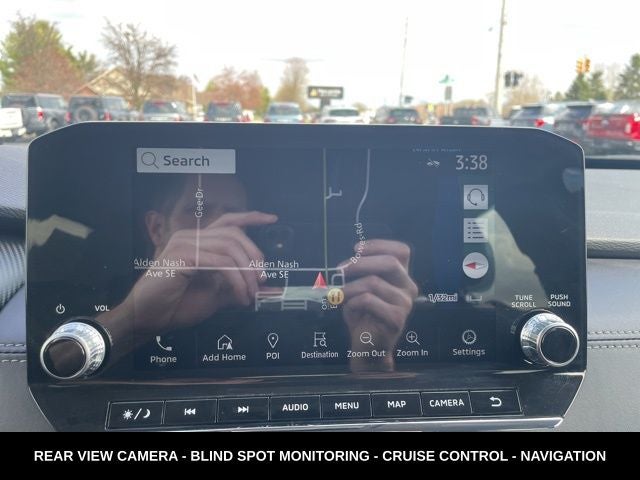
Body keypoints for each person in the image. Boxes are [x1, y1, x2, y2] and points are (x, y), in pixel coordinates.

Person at [97, 173, 418, 371]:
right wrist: (129, 322)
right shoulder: (108, 300)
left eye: (234, 216)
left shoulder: (290, 319)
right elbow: (66, 373)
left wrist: (372, 359)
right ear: (156, 228)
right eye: (199, 212)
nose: (218, 228)